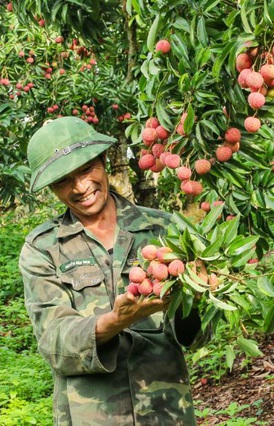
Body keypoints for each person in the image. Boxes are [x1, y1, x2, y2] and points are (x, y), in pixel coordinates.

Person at [19, 116, 211, 425]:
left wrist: (194, 296)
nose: (81, 187)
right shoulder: (42, 248)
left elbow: (198, 336)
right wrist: (114, 322)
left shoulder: (164, 229)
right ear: (52, 188)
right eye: (63, 180)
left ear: (103, 160)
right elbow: (54, 343)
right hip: (91, 417)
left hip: (166, 412)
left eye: (85, 169)